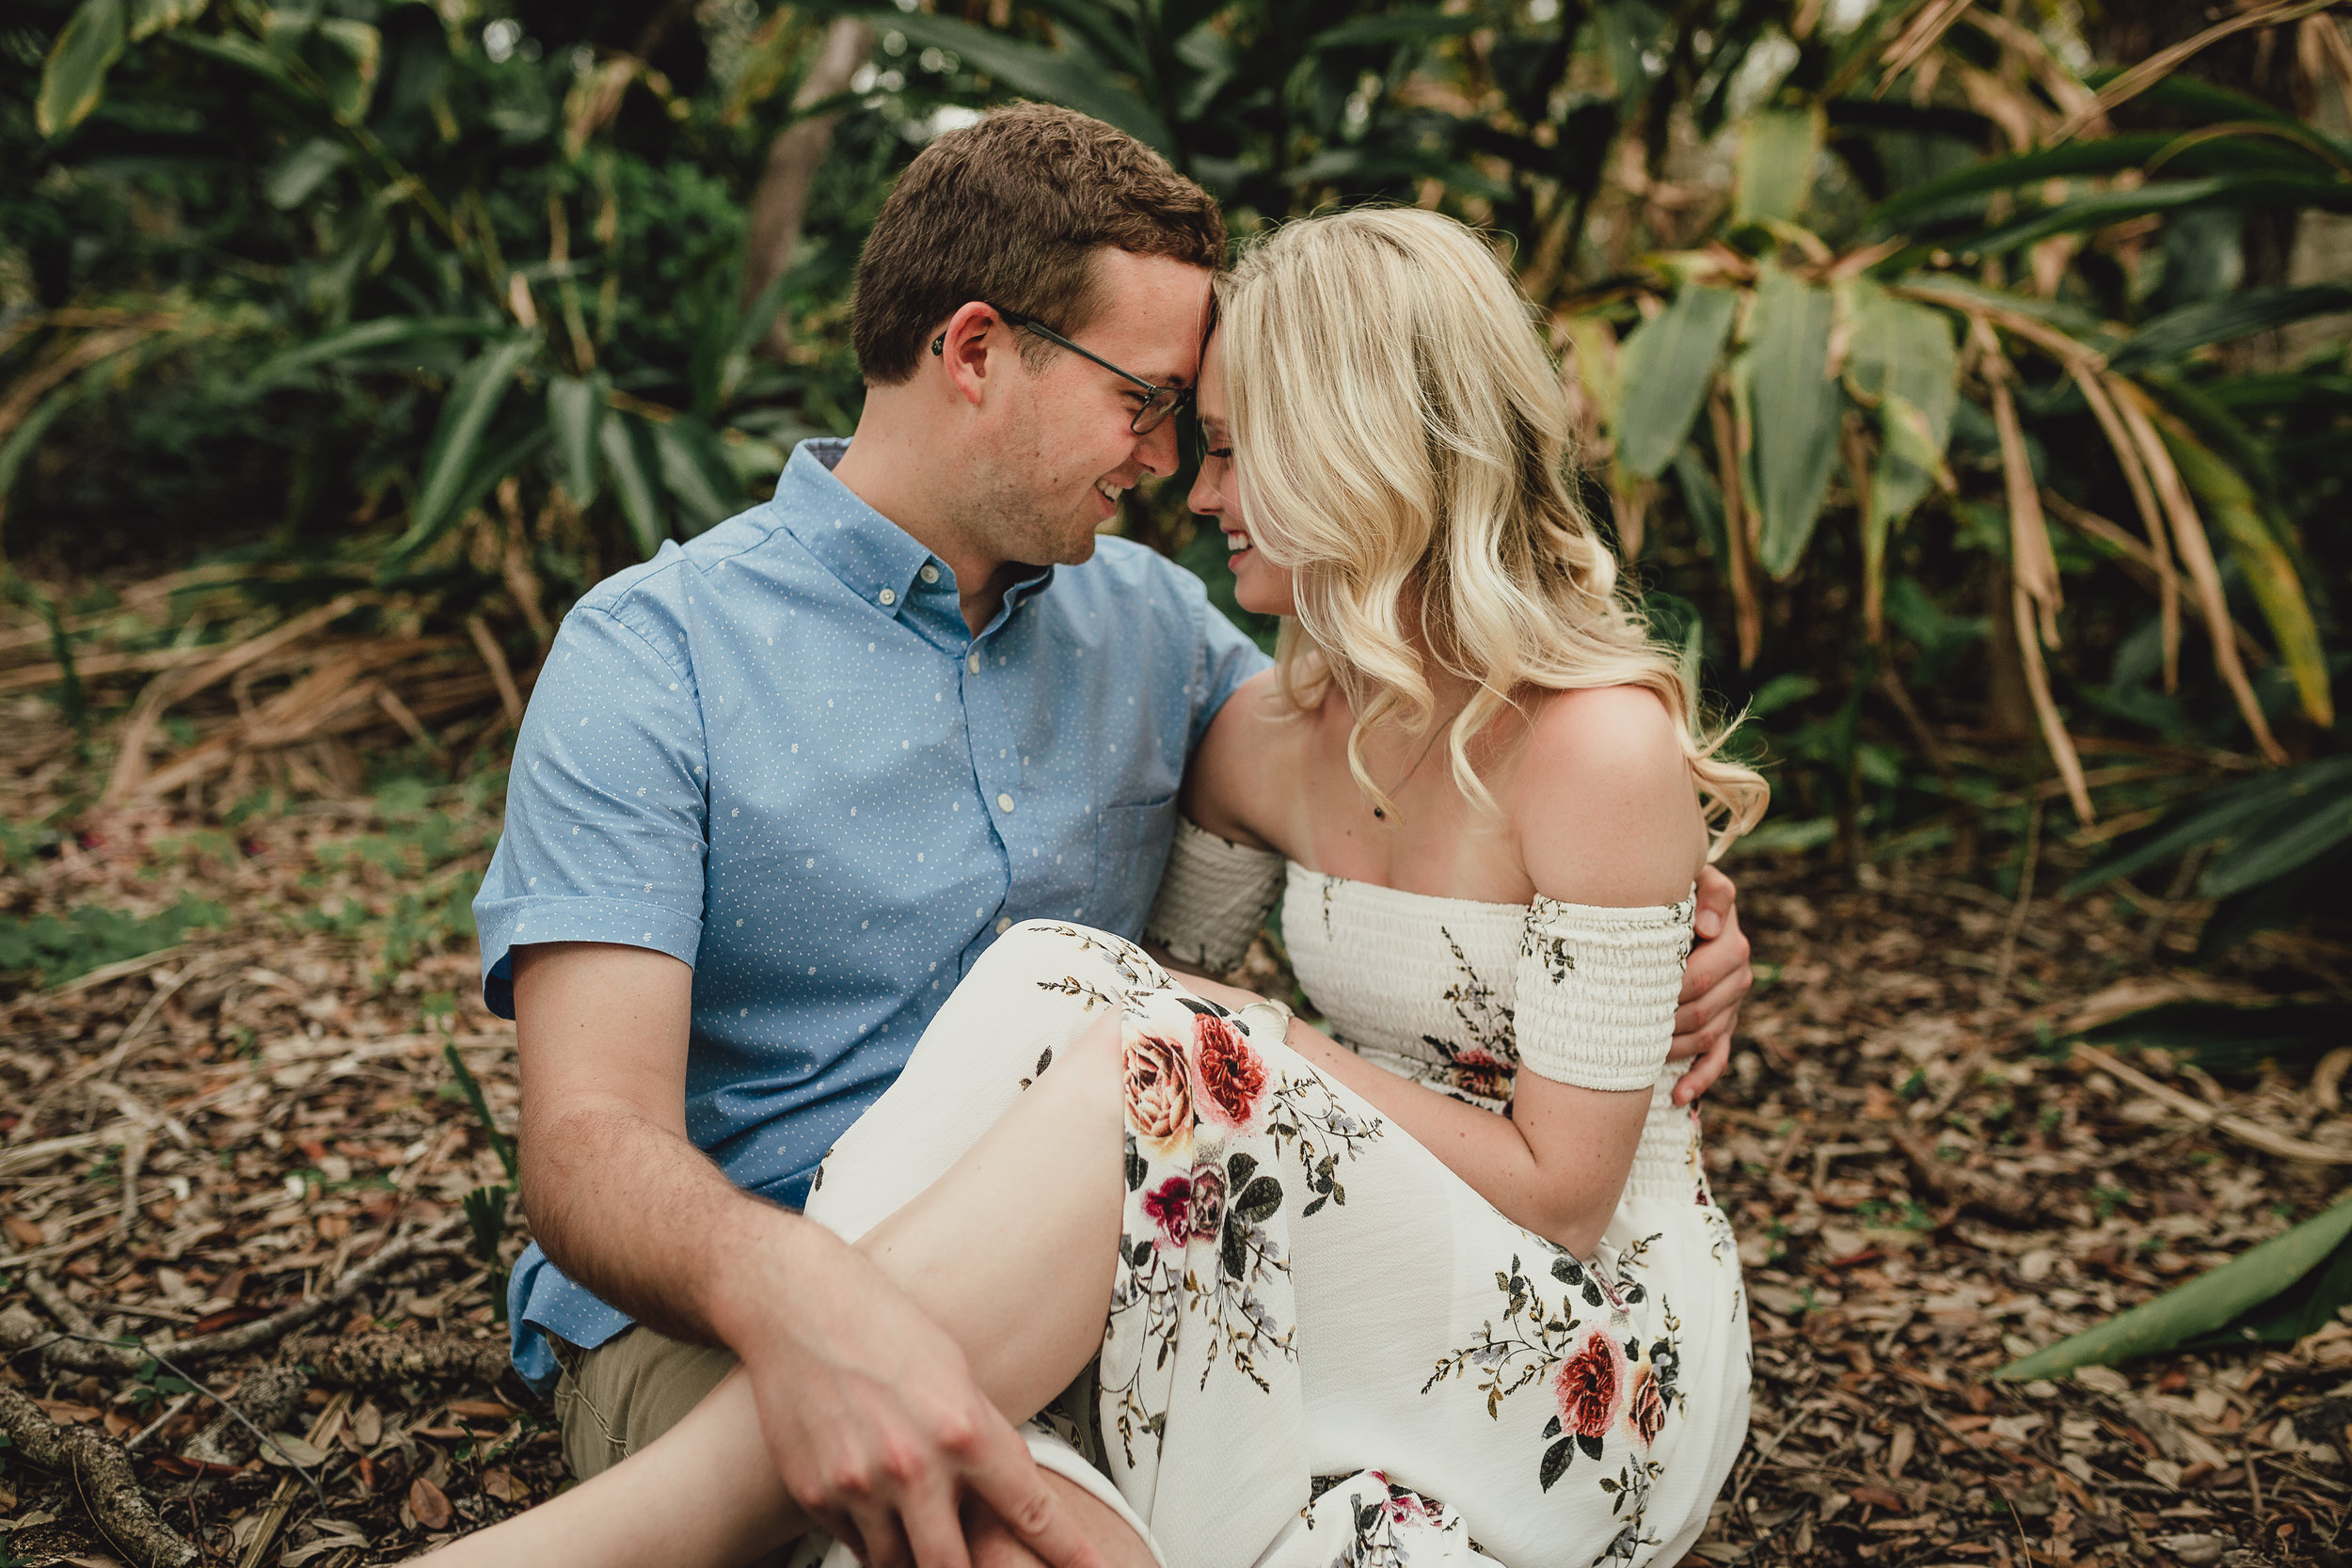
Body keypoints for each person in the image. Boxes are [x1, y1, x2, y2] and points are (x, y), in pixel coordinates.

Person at [460, 104, 1755, 1568]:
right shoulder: (655, 656)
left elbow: (1459, 774)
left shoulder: (1160, 636)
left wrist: (1668, 935)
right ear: (973, 353)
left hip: (1134, 1267)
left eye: (1203, 432)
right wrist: (811, 1301)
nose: (1171, 473)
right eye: (1146, 405)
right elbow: (583, 1147)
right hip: (741, 1296)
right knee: (983, 1542)